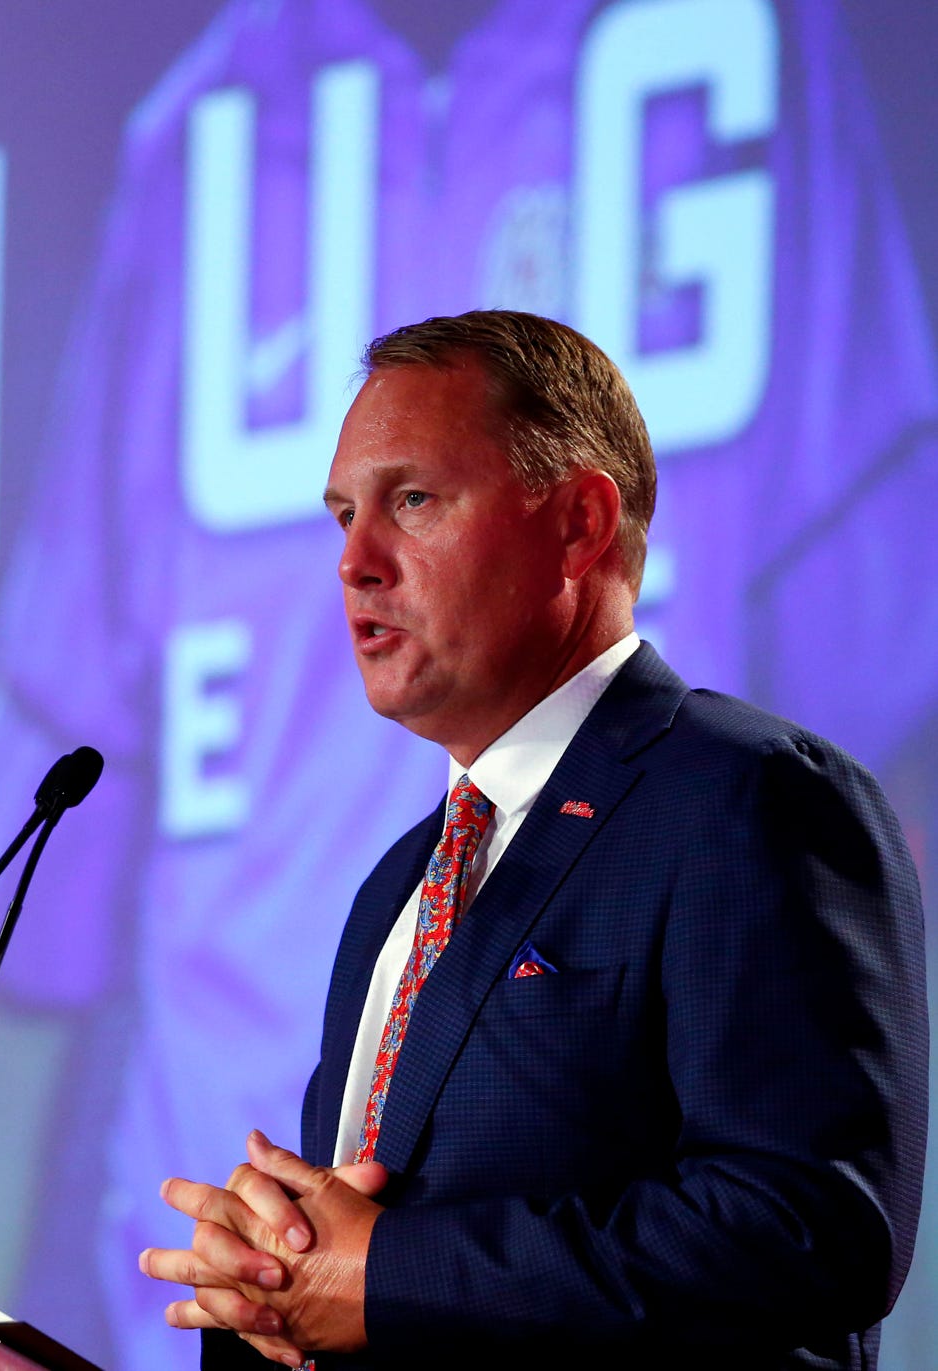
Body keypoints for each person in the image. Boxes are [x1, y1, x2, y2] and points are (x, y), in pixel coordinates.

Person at [138, 310, 928, 1369]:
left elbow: (803, 1234)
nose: (355, 562)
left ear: (577, 526)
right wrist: (269, 1290)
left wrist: (386, 1275)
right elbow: (359, 1281)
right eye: (340, 517)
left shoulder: (750, 800)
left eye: (410, 501)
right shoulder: (395, 890)